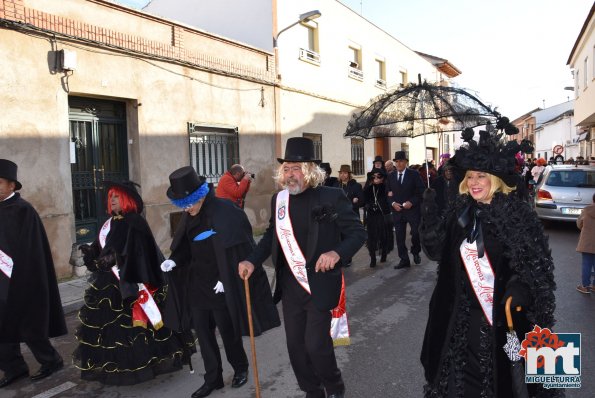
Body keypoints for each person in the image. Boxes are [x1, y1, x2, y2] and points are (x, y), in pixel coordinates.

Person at [419, 126, 559, 397]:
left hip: (497, 322)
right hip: (455, 318)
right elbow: (435, 251)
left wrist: (517, 290)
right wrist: (429, 211)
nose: (473, 181)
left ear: (495, 179)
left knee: (500, 384)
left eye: (481, 175)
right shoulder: (459, 213)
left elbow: (536, 271)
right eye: (470, 176)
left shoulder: (517, 216)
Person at [238, 137, 366, 398]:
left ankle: (334, 387)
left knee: (316, 346)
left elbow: (357, 233)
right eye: (286, 168)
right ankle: (312, 391)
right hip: (291, 286)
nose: (290, 174)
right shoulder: (279, 200)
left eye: (296, 168)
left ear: (310, 170)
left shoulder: (331, 196)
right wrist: (252, 259)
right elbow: (272, 235)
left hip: (320, 283)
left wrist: (336, 252)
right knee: (296, 347)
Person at [161, 166, 279, 398]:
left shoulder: (226, 211)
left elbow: (241, 250)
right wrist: (174, 261)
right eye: (182, 204)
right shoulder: (189, 216)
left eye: (188, 203)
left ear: (200, 196)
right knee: (204, 336)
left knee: (228, 332)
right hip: (198, 284)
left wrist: (227, 279)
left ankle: (240, 368)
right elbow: (186, 247)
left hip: (221, 285)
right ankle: (212, 378)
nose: (186, 208)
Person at [74, 180, 190, 385]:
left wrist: (115, 259)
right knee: (112, 330)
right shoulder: (111, 222)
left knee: (138, 328)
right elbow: (103, 246)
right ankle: (117, 366)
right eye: (110, 197)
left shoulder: (135, 221)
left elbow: (140, 254)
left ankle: (146, 364)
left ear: (126, 199)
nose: (112, 200)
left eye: (116, 196)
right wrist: (91, 252)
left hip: (132, 282)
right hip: (111, 284)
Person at [0, 159, 67, 388]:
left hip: (22, 279)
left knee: (30, 325)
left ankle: (51, 360)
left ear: (11, 186)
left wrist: (21, 276)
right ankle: (13, 366)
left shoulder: (23, 210)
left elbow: (32, 250)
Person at [385, 151, 425, 269]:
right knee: (399, 236)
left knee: (416, 233)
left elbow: (421, 191)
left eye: (401, 161)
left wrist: (411, 202)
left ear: (406, 162)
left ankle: (416, 251)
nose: (398, 164)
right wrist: (392, 203)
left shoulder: (414, 174)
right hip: (397, 211)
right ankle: (404, 259)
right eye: (396, 161)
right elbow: (388, 194)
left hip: (412, 211)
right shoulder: (391, 176)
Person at [363, 168, 392, 267]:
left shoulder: (386, 188)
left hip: (382, 216)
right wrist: (369, 205)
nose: (376, 178)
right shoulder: (368, 189)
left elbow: (389, 202)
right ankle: (373, 258)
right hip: (371, 216)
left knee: (383, 236)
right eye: (373, 176)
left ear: (382, 178)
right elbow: (364, 201)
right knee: (371, 237)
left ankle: (384, 253)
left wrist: (381, 206)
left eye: (378, 176)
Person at [576, 193, 595, 294]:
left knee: (586, 264)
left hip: (587, 242)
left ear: (593, 199)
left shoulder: (586, 210)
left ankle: (585, 286)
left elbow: (579, 224)